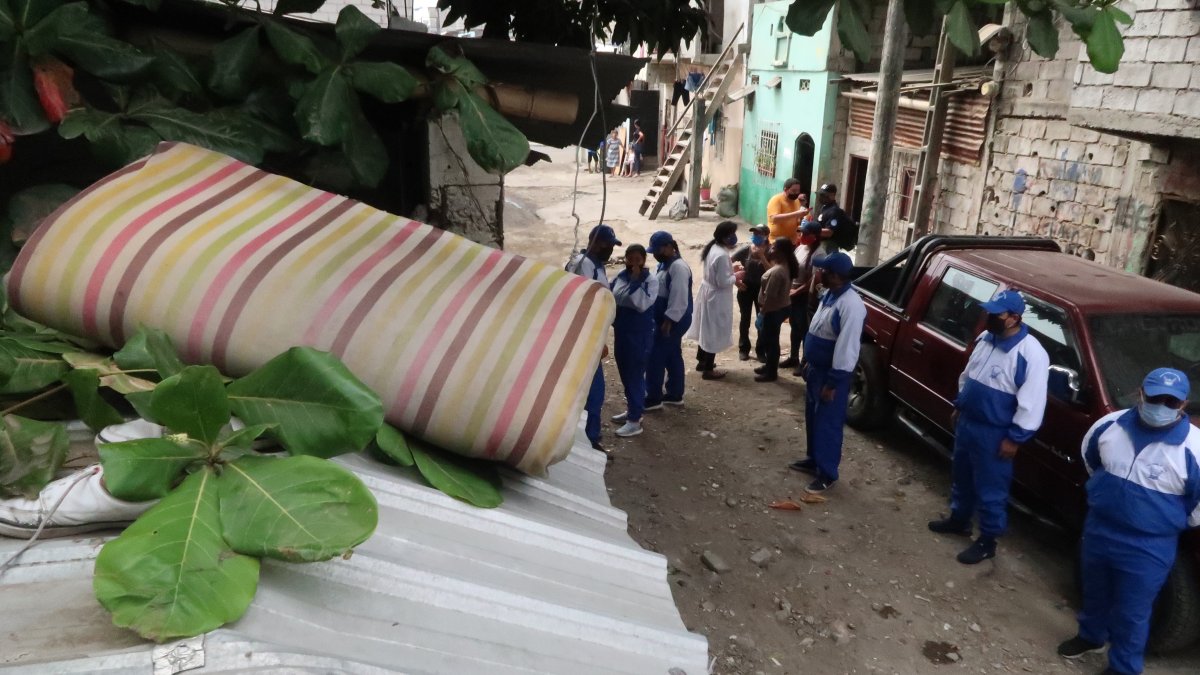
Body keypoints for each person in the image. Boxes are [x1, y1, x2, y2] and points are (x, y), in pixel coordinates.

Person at [1056, 368, 1200, 675]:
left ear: (1183, 405)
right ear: (1140, 393)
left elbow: (1198, 506)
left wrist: (1164, 521)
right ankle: (1091, 636)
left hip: (1148, 545)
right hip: (1100, 528)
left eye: (1171, 402)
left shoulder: (1194, 448)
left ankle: (1123, 667)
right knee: (1094, 591)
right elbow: (1090, 458)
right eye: (1155, 397)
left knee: (1132, 612)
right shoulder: (1110, 425)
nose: (1161, 405)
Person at [927, 289, 1050, 565]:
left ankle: (987, 540)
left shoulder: (1031, 354)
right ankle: (959, 519)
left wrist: (1015, 437)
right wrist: (959, 405)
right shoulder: (986, 338)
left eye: (997, 314)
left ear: (1014, 318)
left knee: (991, 487)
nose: (989, 317)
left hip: (995, 433)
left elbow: (1032, 402)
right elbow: (969, 374)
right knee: (962, 473)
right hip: (969, 422)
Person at [788, 251, 865, 493]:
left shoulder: (851, 306)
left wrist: (833, 383)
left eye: (822, 270)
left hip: (831, 375)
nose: (817, 273)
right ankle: (814, 459)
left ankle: (827, 472)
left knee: (828, 423)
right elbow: (817, 329)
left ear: (834, 275)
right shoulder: (829, 295)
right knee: (813, 417)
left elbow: (847, 349)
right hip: (815, 368)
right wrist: (807, 360)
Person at [567, 224, 621, 453]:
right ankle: (587, 441)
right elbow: (586, 303)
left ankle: (589, 438)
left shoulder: (596, 265)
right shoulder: (582, 265)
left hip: (593, 338)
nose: (610, 250)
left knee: (593, 392)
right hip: (582, 338)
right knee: (591, 392)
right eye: (608, 245)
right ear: (597, 242)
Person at [609, 244, 659, 438]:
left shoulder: (650, 281)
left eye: (638, 259)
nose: (633, 262)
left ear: (644, 260)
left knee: (635, 374)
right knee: (625, 372)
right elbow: (612, 295)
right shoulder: (621, 276)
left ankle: (635, 420)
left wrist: (637, 281)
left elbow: (640, 304)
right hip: (622, 331)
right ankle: (632, 409)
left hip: (639, 334)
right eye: (630, 258)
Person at [686, 221, 741, 380]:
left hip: (709, 292)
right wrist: (736, 276)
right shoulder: (722, 254)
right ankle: (708, 369)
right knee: (714, 330)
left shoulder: (714, 248)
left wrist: (731, 271)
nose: (734, 237)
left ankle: (702, 361)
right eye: (731, 234)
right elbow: (723, 281)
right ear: (724, 237)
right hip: (717, 296)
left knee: (706, 327)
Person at [645, 230, 693, 409]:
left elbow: (679, 298)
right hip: (666, 318)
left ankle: (653, 398)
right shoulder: (666, 264)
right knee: (672, 355)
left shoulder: (678, 267)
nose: (656, 254)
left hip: (674, 320)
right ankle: (674, 393)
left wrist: (668, 321)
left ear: (669, 247)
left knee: (656, 356)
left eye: (658, 250)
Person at [753, 238, 797, 382]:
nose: (771, 249)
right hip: (781, 307)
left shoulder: (778, 272)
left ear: (781, 252)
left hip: (773, 310)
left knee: (771, 342)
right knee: (771, 340)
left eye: (774, 247)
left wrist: (762, 313)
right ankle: (769, 367)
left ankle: (771, 373)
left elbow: (770, 298)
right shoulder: (784, 265)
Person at [782, 221, 821, 374]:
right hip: (794, 293)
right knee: (794, 326)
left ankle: (805, 362)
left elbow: (813, 279)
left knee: (805, 328)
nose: (802, 236)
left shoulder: (819, 254)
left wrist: (797, 291)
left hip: (805, 296)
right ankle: (793, 357)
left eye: (805, 234)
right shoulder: (801, 247)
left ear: (814, 236)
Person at [731, 225, 770, 362]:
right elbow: (728, 263)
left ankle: (761, 350)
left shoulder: (771, 251)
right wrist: (735, 280)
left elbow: (773, 272)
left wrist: (762, 257)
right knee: (745, 319)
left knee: (762, 321)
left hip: (763, 290)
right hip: (746, 289)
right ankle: (743, 348)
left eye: (759, 234)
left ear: (766, 236)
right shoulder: (746, 249)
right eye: (754, 233)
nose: (756, 236)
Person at [814, 183, 858, 254]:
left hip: (829, 245)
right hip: (821, 243)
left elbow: (829, 232)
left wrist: (812, 230)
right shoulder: (824, 208)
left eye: (824, 195)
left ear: (832, 195)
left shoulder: (835, 211)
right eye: (820, 195)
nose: (821, 197)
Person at [766, 178, 807, 245]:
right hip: (776, 241)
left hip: (791, 241)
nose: (796, 193)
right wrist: (796, 214)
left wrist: (801, 216)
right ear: (785, 189)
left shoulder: (796, 201)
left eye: (798, 191)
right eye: (794, 191)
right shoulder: (776, 200)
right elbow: (774, 219)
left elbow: (796, 221)